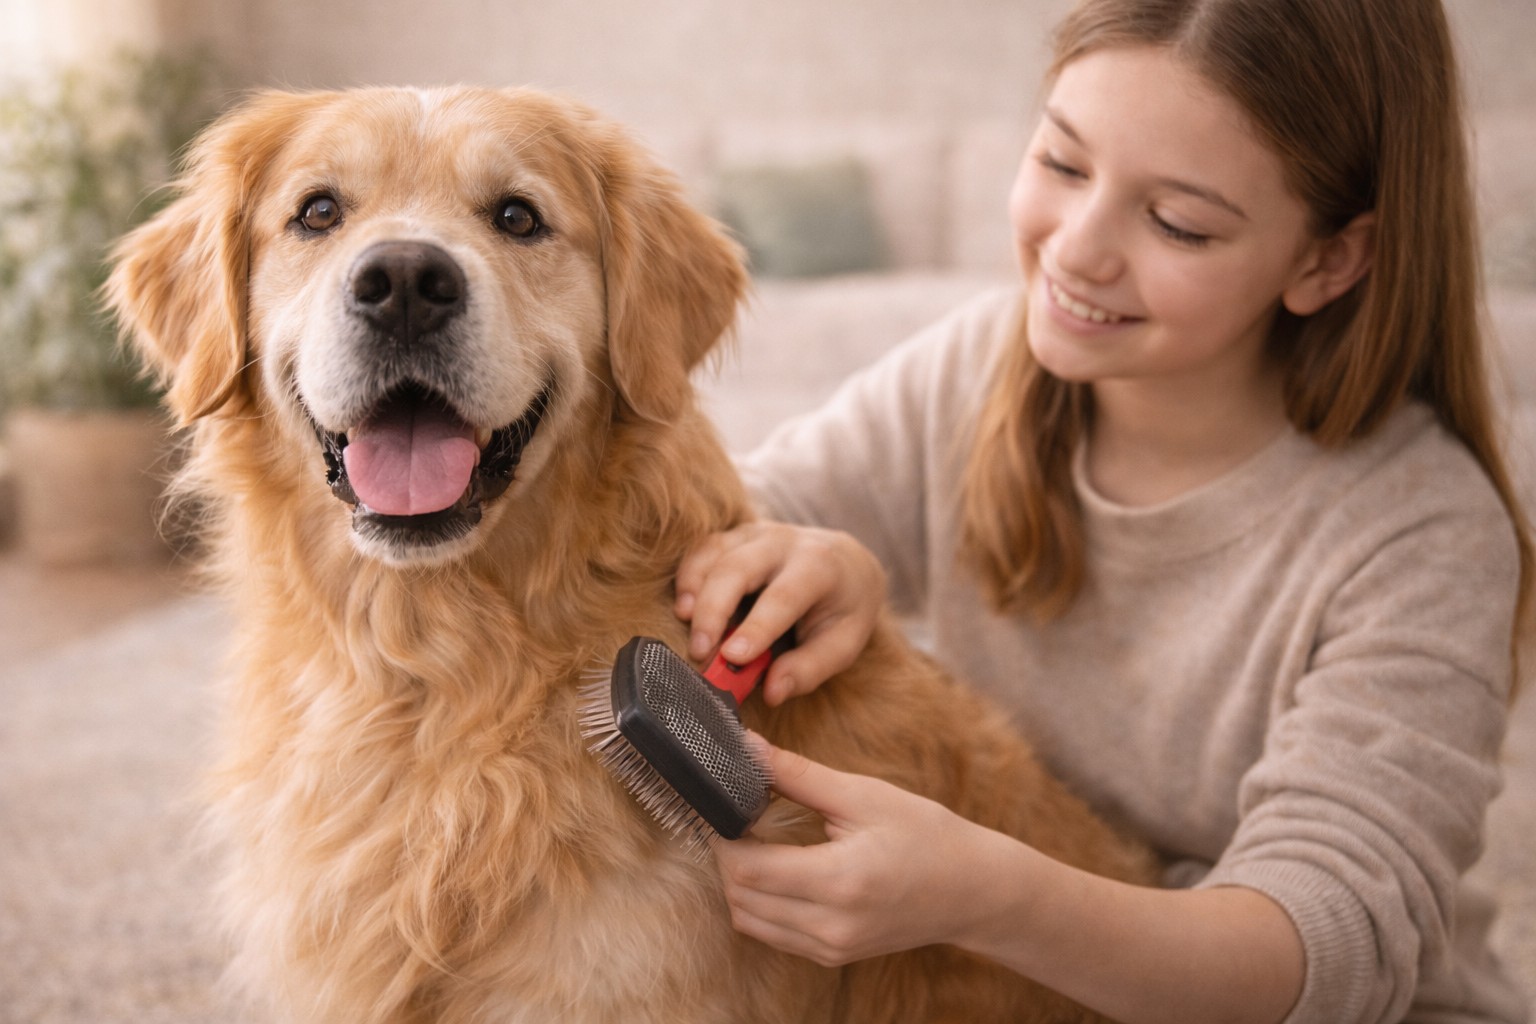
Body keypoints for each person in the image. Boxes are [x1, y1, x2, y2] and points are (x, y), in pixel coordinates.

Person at [672, 1, 1535, 1021]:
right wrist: (818, 551)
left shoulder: (1424, 532)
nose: (1077, 251)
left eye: (1178, 222)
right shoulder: (972, 372)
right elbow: (716, 529)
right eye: (1062, 163)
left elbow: (1325, 948)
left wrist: (983, 893)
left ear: (1328, 260)